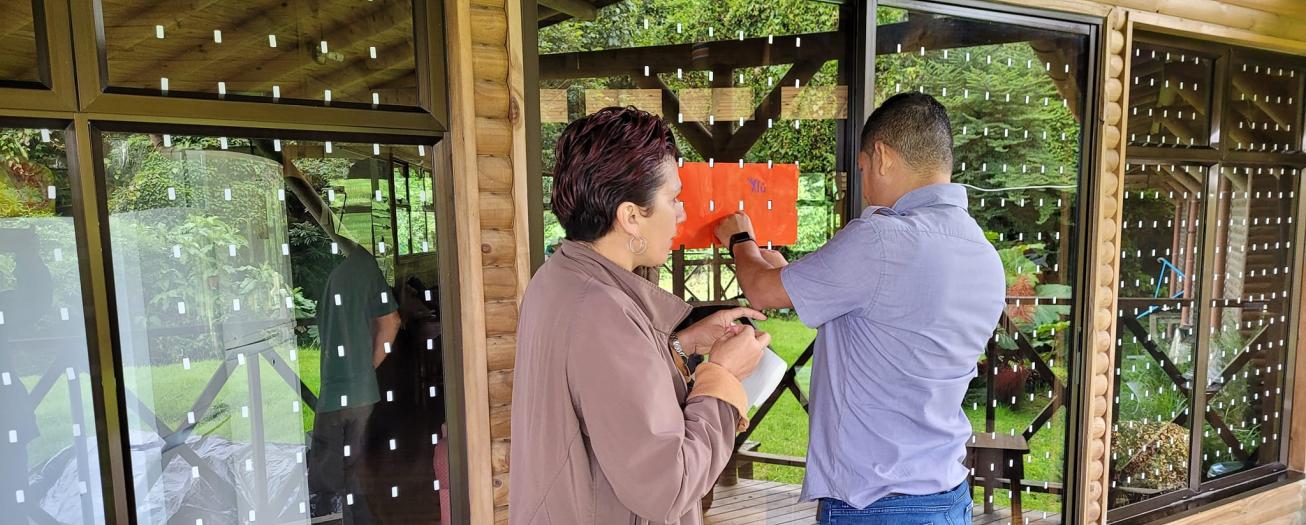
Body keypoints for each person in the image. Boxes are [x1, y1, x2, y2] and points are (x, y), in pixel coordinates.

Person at [714, 92, 1006, 524]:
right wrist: (787, 274)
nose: (865, 188)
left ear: (882, 157)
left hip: (876, 506)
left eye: (863, 169)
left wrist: (741, 238)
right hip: (947, 498)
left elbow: (759, 290)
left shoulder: (880, 240)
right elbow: (884, 310)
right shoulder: (983, 254)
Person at [510, 106, 770, 525]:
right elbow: (667, 485)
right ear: (631, 216)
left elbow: (602, 392)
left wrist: (681, 345)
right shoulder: (602, 312)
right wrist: (723, 377)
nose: (682, 214)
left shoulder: (559, 278)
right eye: (673, 199)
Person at [303, 159, 404, 524]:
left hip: (339, 392)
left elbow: (391, 322)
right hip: (358, 392)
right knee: (352, 468)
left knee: (329, 478)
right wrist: (367, 368)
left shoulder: (351, 268)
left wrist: (366, 365)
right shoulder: (361, 267)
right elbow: (391, 323)